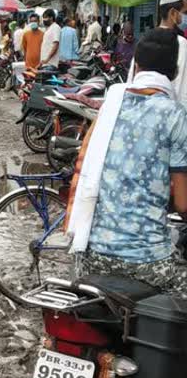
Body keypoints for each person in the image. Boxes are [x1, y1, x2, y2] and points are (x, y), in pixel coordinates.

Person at [68, 28, 187, 293]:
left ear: (136, 67)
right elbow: (182, 203)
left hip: (90, 256)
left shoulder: (111, 104)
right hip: (149, 264)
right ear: (175, 72)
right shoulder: (176, 116)